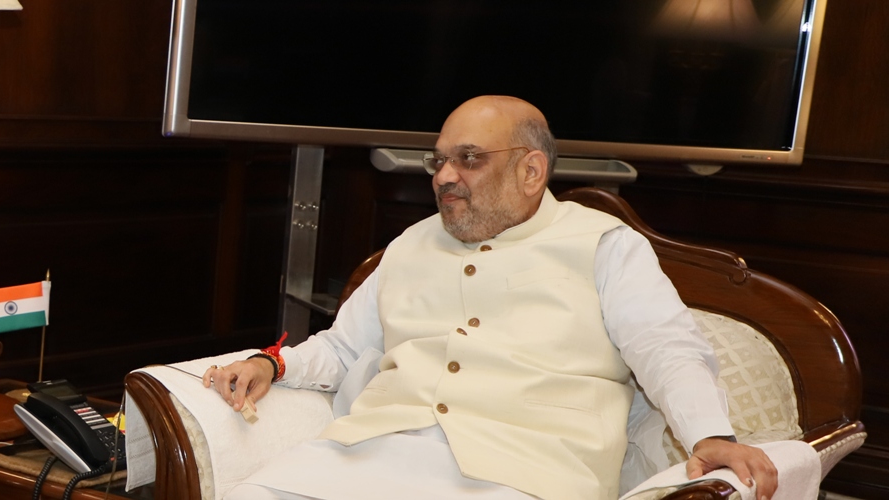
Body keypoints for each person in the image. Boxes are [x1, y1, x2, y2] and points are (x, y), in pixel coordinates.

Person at [200, 96, 779, 500]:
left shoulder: (605, 246)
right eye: (440, 160)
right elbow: (344, 348)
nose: (444, 176)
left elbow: (666, 346)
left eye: (469, 158)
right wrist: (271, 364)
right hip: (369, 451)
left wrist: (711, 436)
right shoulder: (409, 244)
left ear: (532, 171)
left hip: (528, 473)